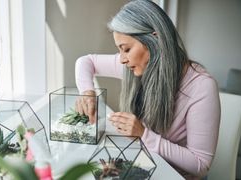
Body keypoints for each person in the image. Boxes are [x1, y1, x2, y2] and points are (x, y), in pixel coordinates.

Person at [74, 0, 221, 179]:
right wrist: (87, 92)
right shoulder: (135, 65)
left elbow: (200, 165)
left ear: (155, 39)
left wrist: (143, 134)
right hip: (142, 165)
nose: (121, 59)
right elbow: (85, 62)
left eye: (126, 49)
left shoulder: (202, 86)